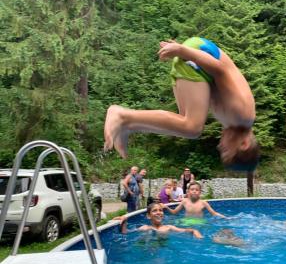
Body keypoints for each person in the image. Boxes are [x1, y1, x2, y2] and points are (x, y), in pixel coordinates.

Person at [104, 37, 260, 170]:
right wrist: (182, 51)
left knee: (183, 122)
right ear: (244, 144)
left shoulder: (233, 122)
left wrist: (182, 50)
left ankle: (128, 127)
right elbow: (221, 70)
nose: (220, 147)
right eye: (226, 151)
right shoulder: (243, 114)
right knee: (192, 128)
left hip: (197, 60)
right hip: (202, 55)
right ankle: (122, 116)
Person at [113, 202, 203, 239]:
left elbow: (187, 230)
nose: (159, 212)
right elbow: (126, 233)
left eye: (160, 210)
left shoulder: (169, 227)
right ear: (148, 216)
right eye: (155, 211)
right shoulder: (145, 228)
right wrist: (124, 220)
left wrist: (195, 231)